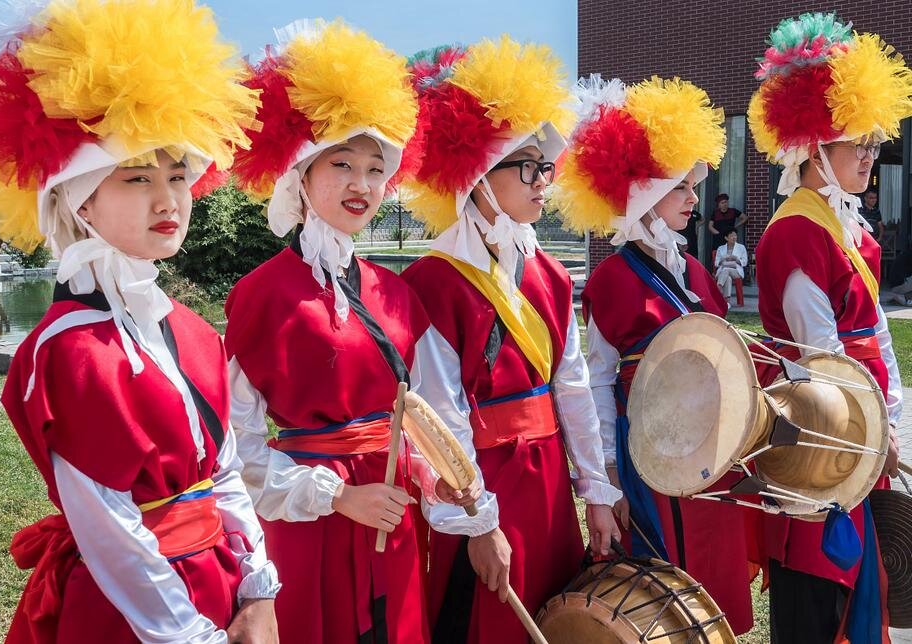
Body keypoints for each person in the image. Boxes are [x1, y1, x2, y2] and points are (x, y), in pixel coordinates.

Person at [0, 1, 281, 641]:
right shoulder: (67, 349)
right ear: (79, 199)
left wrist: (259, 588)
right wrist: (187, 634)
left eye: (178, 175)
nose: (168, 198)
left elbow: (225, 471)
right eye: (137, 177)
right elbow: (108, 525)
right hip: (132, 611)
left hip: (221, 583)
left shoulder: (195, 333)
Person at [225, 22, 483, 644]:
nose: (362, 185)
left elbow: (427, 418)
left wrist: (438, 479)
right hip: (310, 525)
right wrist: (336, 497)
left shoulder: (396, 293)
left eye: (375, 169)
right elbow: (234, 448)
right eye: (341, 163)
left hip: (393, 519)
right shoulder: (261, 294)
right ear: (300, 176)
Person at [400, 45, 623, 643]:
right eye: (527, 166)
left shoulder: (547, 272)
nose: (544, 180)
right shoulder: (431, 280)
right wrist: (476, 523)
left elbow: (571, 387)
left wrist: (596, 495)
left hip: (548, 485)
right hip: (485, 485)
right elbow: (438, 417)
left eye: (546, 167)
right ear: (479, 176)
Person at [555, 74, 758, 635]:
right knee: (660, 583)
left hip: (708, 451)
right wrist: (611, 478)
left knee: (714, 571)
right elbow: (596, 382)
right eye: (681, 187)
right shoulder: (610, 279)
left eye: (695, 186)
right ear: (643, 195)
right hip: (647, 454)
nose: (696, 198)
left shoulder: (694, 271)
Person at [748, 12, 907, 642]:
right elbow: (820, 356)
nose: (871, 157)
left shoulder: (850, 232)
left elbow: (879, 338)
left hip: (864, 430)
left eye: (874, 144)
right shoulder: (793, 231)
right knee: (816, 600)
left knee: (865, 594)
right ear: (816, 148)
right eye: (857, 145)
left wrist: (891, 419)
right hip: (818, 436)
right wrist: (873, 432)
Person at [714, 230, 748, 304]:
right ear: (726, 238)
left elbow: (745, 262)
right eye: (732, 236)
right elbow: (716, 263)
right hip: (723, 270)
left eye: (735, 235)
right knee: (728, 278)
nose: (734, 237)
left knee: (726, 270)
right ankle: (727, 302)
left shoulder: (741, 247)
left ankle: (718, 287)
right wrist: (723, 259)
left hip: (736, 271)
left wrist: (735, 258)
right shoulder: (721, 248)